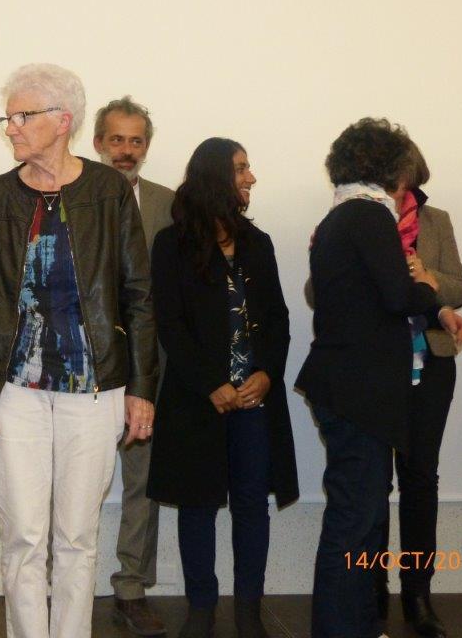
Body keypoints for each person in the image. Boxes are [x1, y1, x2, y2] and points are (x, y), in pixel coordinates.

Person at [0, 63, 159, 638]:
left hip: (95, 390)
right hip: (14, 390)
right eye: (8, 118)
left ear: (62, 121)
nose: (11, 128)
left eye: (22, 116)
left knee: (77, 537)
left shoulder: (110, 192)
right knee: (23, 536)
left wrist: (142, 389)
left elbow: (139, 297)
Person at [295, 118, 462, 638]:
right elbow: (396, 295)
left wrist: (435, 308)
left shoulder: (340, 215)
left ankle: (360, 624)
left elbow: (367, 294)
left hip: (349, 387)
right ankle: (340, 628)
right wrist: (428, 294)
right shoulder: (370, 216)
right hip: (359, 390)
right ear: (389, 168)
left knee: (362, 517)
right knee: (353, 522)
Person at [147, 138, 299, 638]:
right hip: (198, 400)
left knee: (252, 504)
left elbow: (277, 319)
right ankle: (201, 610)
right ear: (215, 177)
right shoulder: (172, 244)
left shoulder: (258, 243)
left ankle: (249, 612)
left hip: (255, 400)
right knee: (197, 504)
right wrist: (211, 383)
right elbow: (170, 325)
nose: (250, 177)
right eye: (240, 168)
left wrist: (267, 374)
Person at [93, 95, 174, 637]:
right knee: (72, 476)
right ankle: (63, 580)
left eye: (136, 140)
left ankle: (131, 589)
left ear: (147, 146)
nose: (126, 150)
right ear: (98, 142)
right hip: (81, 366)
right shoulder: (67, 196)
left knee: (143, 480)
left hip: (150, 365)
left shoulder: (170, 204)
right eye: (117, 139)